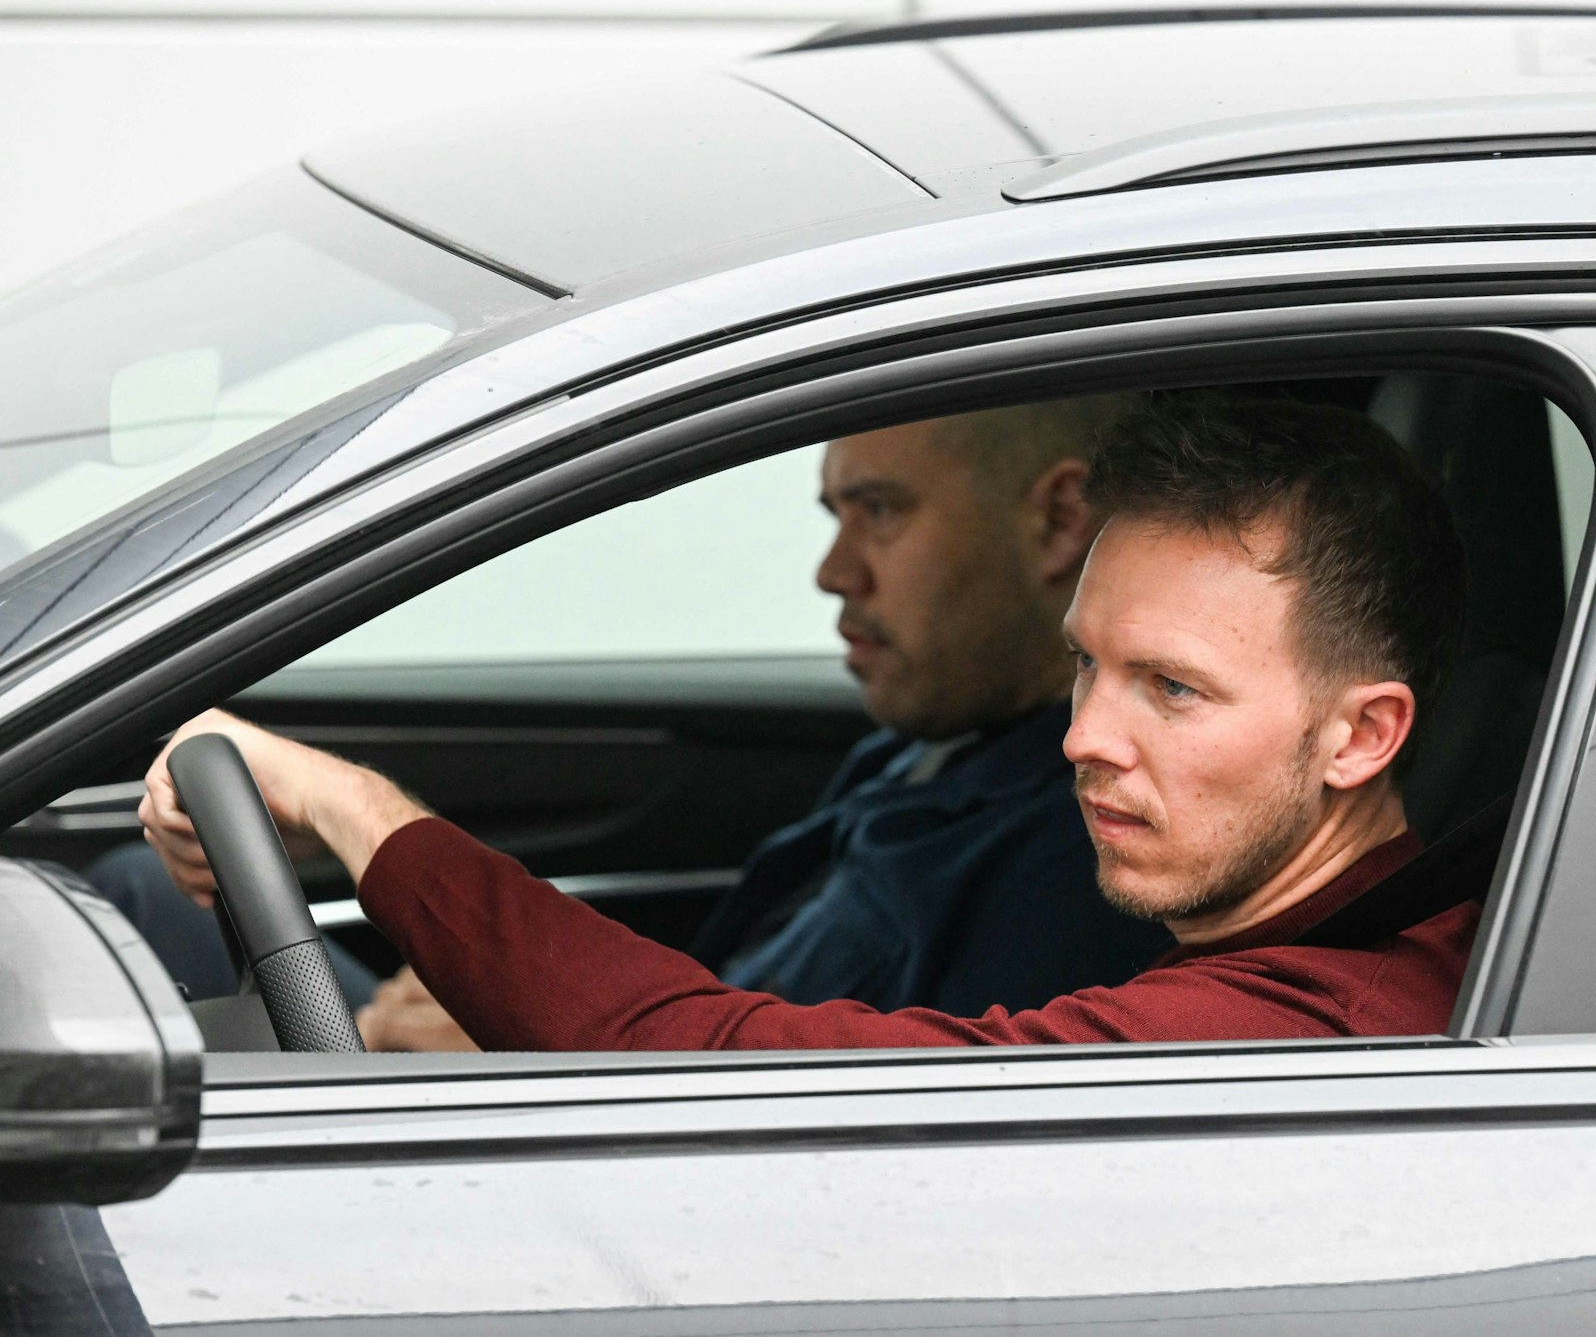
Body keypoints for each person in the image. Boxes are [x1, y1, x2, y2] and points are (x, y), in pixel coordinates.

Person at [141, 390, 1479, 1051]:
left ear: (1360, 737)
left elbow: (737, 1067)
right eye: (1088, 666)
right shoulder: (1303, 932)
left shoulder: (1287, 1031)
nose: (1081, 739)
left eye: (1172, 689)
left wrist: (359, 810)